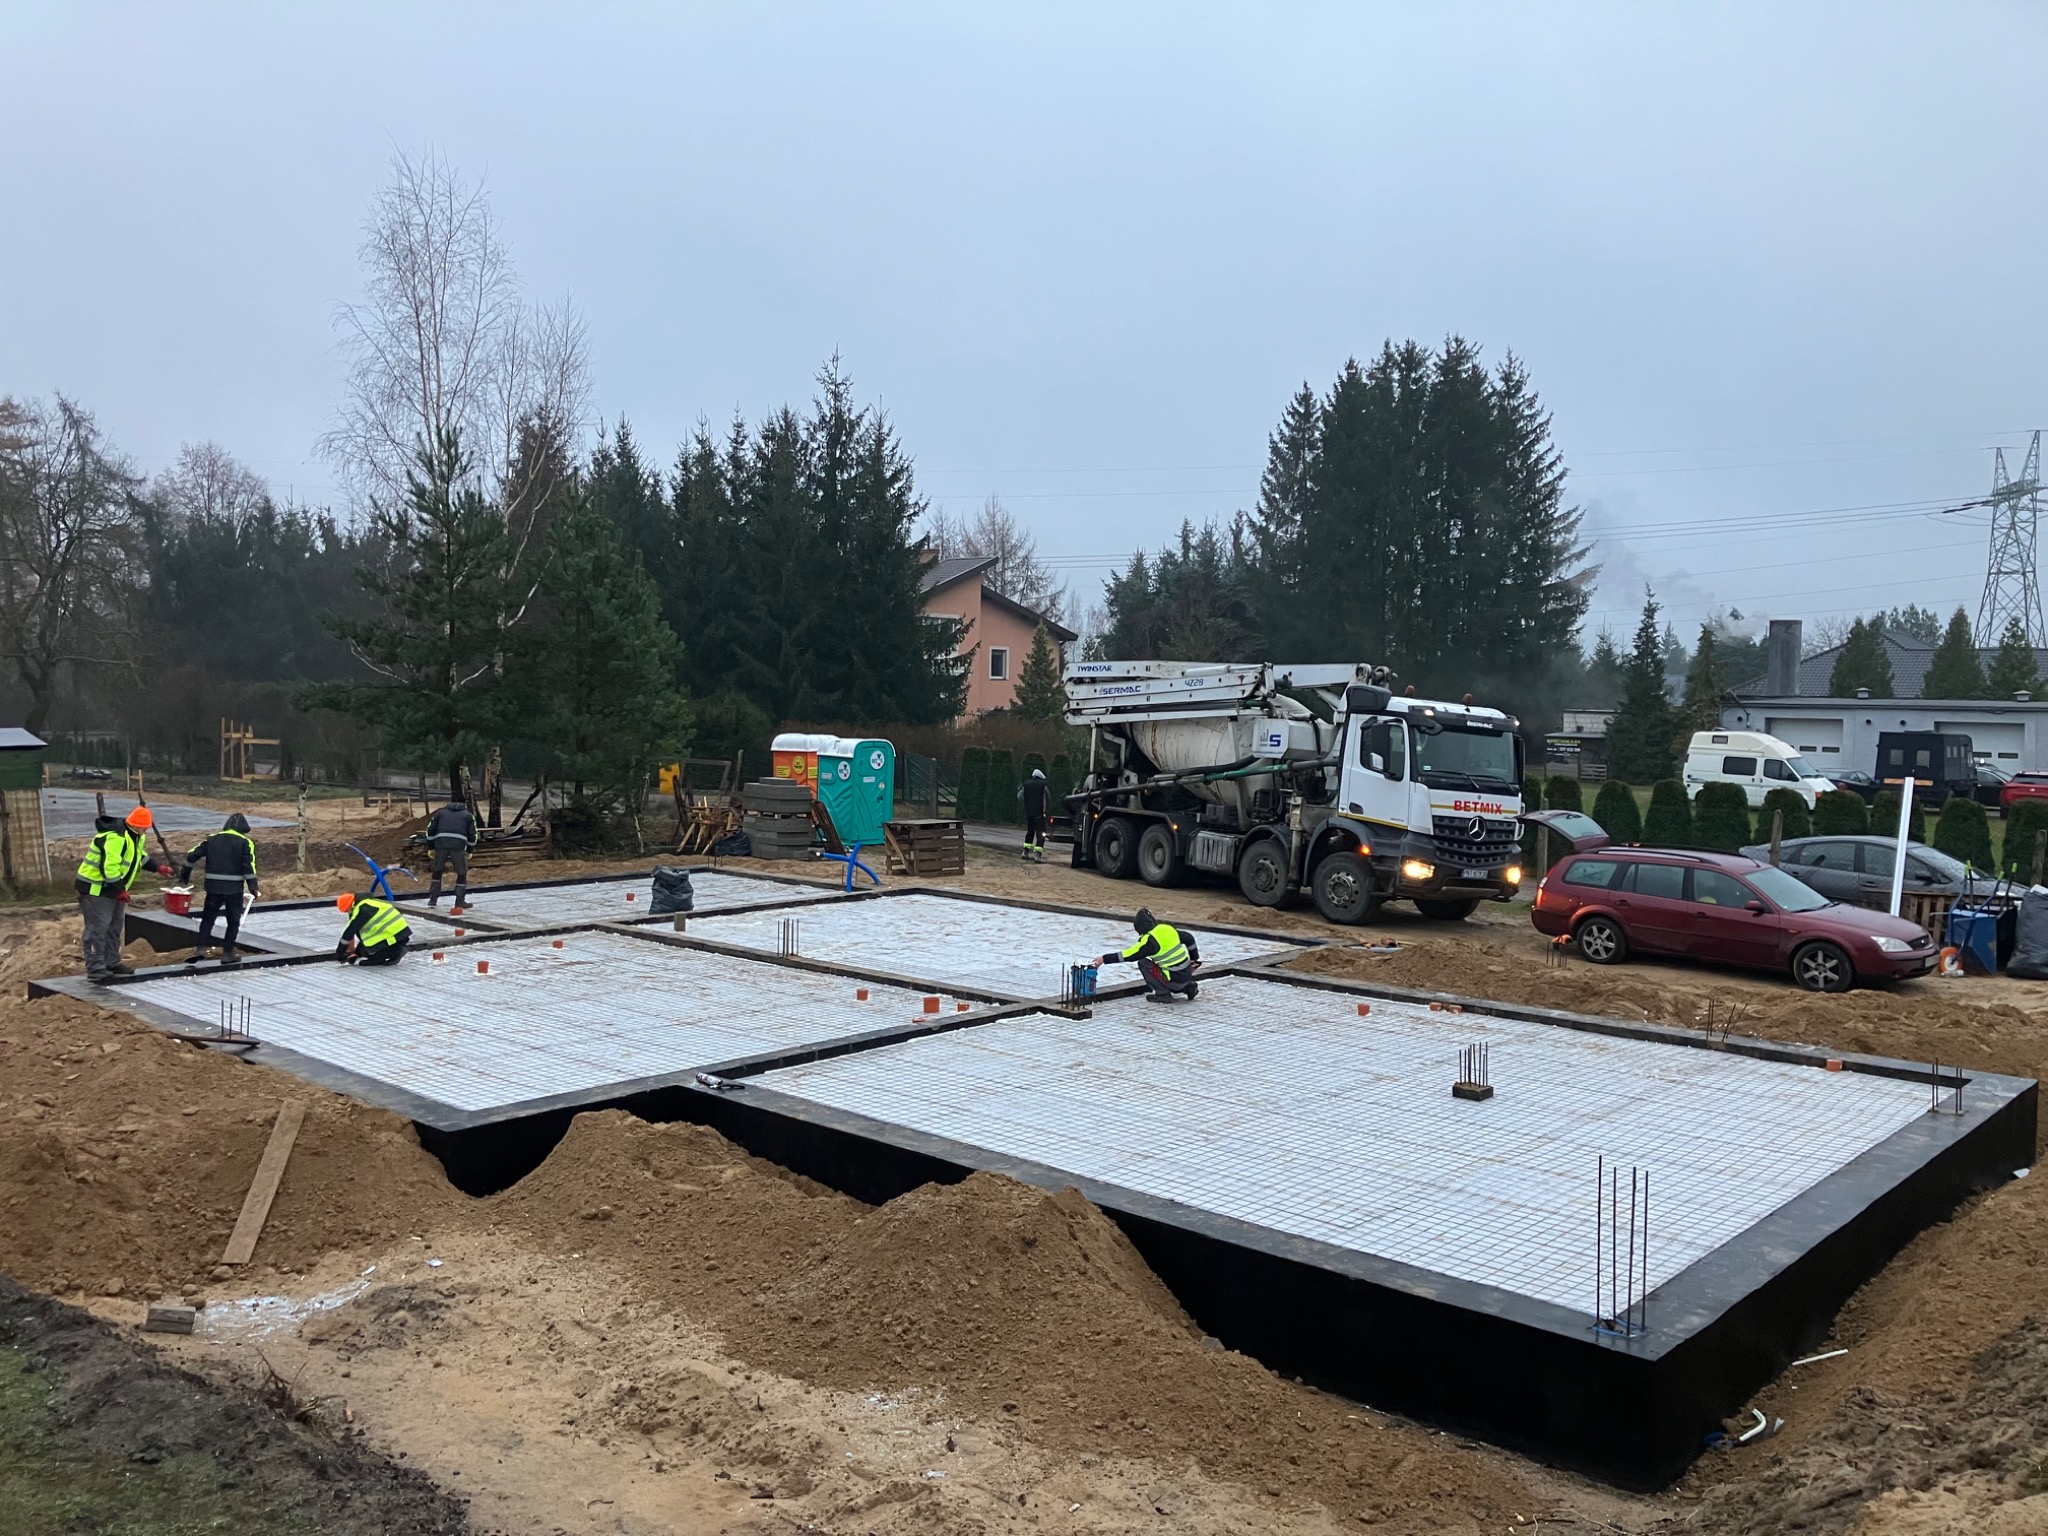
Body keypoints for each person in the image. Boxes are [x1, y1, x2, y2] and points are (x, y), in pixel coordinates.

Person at [76, 806, 174, 984]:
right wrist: (119, 891)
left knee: (114, 928)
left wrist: (157, 867)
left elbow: (138, 857)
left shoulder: (135, 836)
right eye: (144, 827)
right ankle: (95, 969)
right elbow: (109, 867)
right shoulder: (115, 838)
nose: (145, 831)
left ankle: (111, 963)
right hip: (96, 890)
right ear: (136, 826)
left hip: (113, 890)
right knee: (97, 931)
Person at [180, 813, 259, 965]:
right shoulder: (245, 842)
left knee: (208, 919)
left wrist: (185, 874)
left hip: (213, 888)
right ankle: (227, 953)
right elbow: (249, 866)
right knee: (232, 921)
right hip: (233, 890)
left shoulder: (211, 839)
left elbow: (191, 855)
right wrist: (253, 887)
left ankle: (201, 949)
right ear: (243, 829)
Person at [1098, 907, 1201, 1003]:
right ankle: (1188, 987)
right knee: (1173, 968)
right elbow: (1189, 938)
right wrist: (1194, 958)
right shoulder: (1166, 929)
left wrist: (1104, 959)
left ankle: (1163, 995)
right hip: (1187, 975)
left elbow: (1129, 955)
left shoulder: (1149, 941)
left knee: (1143, 963)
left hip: (1173, 980)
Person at [425, 796, 478, 908]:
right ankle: (459, 901)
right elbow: (472, 835)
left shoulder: (440, 814)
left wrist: (431, 847)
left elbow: (430, 830)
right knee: (461, 873)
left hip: (441, 845)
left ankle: (433, 900)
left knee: (437, 871)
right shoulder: (468, 816)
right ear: (465, 804)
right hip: (458, 847)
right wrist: (469, 850)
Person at [334, 892, 412, 965]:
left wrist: (340, 954)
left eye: (347, 910)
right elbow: (359, 935)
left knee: (370, 962)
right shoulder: (368, 903)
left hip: (395, 936)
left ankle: (396, 952)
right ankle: (395, 950)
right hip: (400, 933)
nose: (348, 912)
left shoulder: (363, 909)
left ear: (350, 905)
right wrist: (357, 953)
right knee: (365, 951)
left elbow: (349, 932)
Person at [1018, 767, 1051, 863]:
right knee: (1041, 834)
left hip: (1029, 814)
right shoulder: (1043, 785)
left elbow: (1019, 797)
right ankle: (1037, 855)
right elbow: (1048, 798)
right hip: (1040, 814)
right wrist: (1047, 812)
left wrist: (1027, 805)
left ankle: (1025, 852)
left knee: (1030, 832)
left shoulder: (1026, 785)